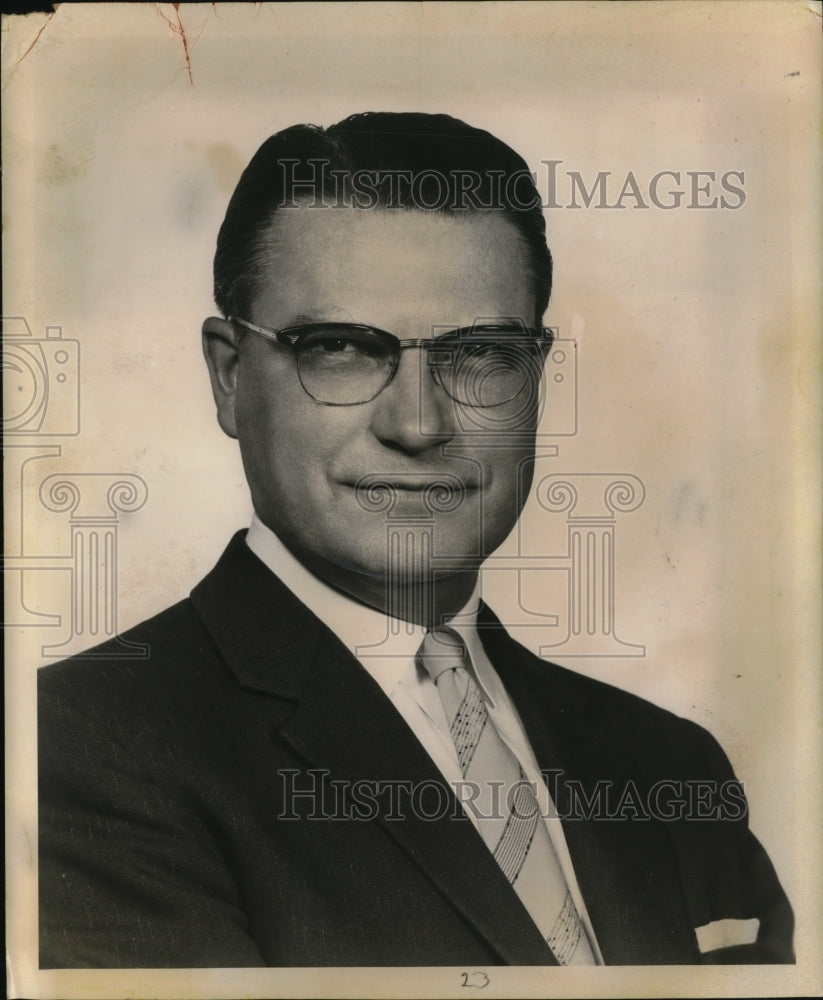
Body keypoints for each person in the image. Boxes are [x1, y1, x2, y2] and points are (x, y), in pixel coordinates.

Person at [38, 112, 794, 968]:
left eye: (480, 354)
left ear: (535, 377)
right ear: (228, 375)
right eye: (341, 349)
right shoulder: (75, 745)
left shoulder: (667, 766)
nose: (419, 422)